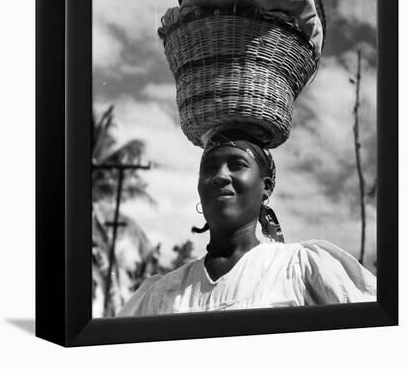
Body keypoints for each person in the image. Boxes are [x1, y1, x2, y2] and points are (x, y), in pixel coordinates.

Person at [118, 130, 376, 316]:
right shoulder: (161, 293)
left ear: (266, 187)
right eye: (209, 168)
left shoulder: (301, 268)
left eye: (237, 164)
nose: (220, 176)